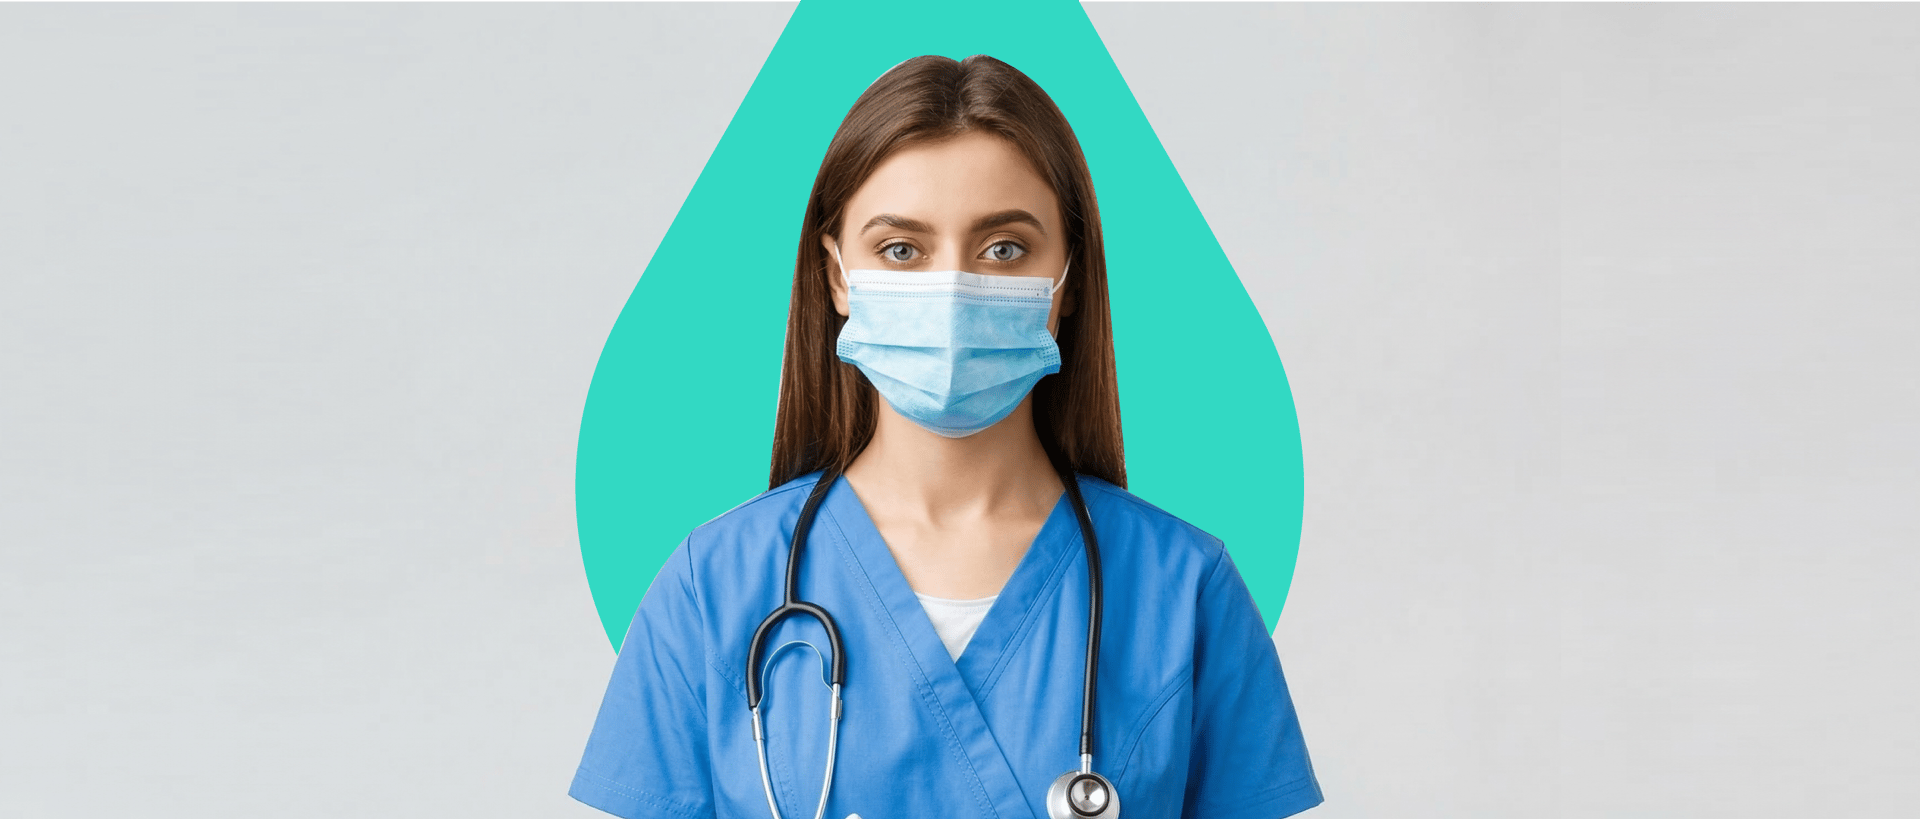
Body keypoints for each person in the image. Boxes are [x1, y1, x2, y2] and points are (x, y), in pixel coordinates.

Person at [570, 54, 1322, 819]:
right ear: (836, 276)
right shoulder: (717, 587)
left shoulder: (1182, 588)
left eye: (1004, 249)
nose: (955, 286)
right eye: (902, 249)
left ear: (1067, 278)